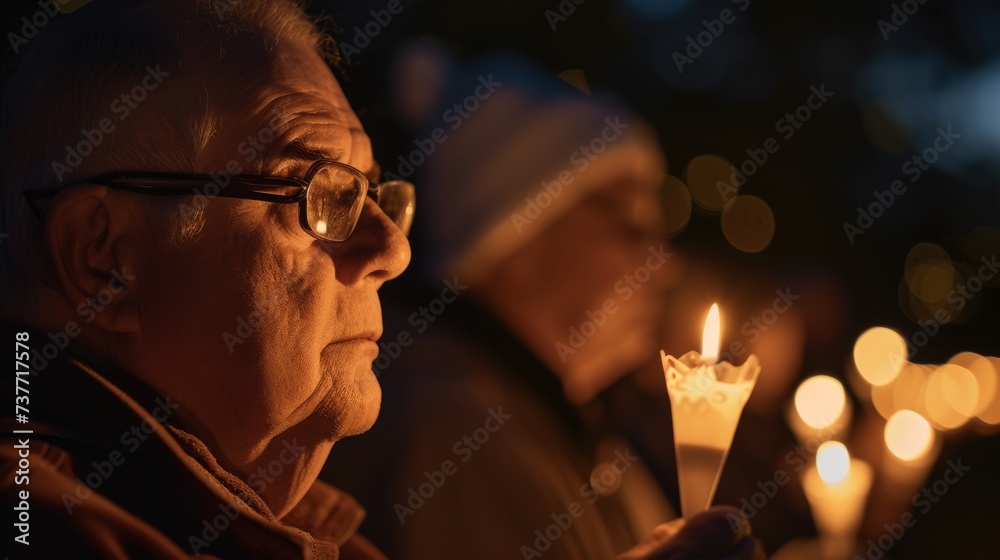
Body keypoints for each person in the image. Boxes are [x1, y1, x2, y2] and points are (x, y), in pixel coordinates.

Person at [1, 1, 758, 558]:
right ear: (105, 256)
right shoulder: (46, 532)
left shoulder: (319, 539)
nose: (391, 248)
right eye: (322, 196)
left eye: (375, 194)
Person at [322, 52, 763, 560]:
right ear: (518, 242)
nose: (665, 266)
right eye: (635, 227)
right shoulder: (452, 440)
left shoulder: (570, 434)